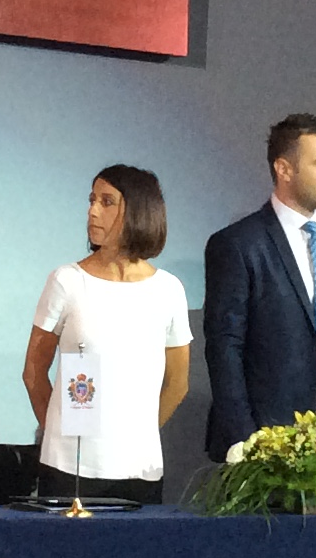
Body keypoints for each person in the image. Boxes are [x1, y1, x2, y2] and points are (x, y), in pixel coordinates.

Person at [202, 113, 316, 457]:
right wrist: (245, 441)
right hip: (268, 440)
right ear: (284, 169)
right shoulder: (238, 244)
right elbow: (225, 348)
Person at [21, 166, 193, 503]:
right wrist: (62, 436)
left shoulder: (169, 290)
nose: (92, 211)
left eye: (107, 201)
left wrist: (137, 435)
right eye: (92, 200)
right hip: (68, 469)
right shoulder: (66, 281)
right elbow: (33, 372)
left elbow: (177, 383)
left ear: (139, 210)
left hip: (139, 470)